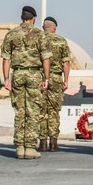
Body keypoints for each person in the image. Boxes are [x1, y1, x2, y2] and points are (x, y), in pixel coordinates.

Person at [1, 6, 50, 159]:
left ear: (22, 17)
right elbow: (46, 58)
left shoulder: (11, 34)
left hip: (17, 74)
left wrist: (6, 79)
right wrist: (46, 78)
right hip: (34, 74)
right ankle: (29, 147)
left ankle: (20, 147)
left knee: (19, 111)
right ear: (33, 18)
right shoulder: (40, 34)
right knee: (33, 111)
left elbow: (6, 59)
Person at [39, 16, 71, 152]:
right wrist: (66, 80)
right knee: (54, 110)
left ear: (43, 27)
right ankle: (53, 142)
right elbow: (66, 63)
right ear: (55, 28)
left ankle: (42, 143)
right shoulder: (61, 41)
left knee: (41, 110)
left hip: (40, 78)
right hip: (56, 78)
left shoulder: (38, 39)